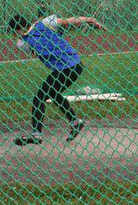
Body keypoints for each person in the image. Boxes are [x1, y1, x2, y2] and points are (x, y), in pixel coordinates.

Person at [8, 10, 105, 145]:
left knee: (39, 97)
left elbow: (29, 45)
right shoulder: (44, 23)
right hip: (75, 65)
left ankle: (37, 134)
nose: (14, 35)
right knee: (53, 93)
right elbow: (67, 21)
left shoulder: (22, 43)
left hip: (66, 69)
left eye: (14, 31)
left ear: (18, 29)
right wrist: (88, 19)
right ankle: (75, 121)